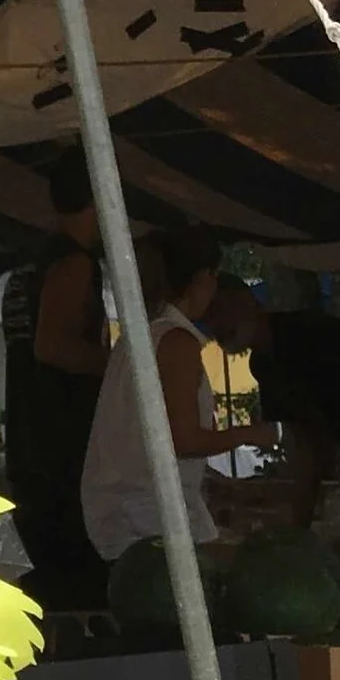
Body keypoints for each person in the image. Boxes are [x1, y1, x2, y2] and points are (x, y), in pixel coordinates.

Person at [80, 226, 276, 563]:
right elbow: (183, 440)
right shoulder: (175, 341)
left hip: (127, 506)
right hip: (144, 513)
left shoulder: (143, 336)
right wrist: (256, 433)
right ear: (202, 278)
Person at [205, 281, 340, 528]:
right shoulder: (261, 365)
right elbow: (303, 440)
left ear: (250, 303)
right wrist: (300, 522)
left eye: (222, 311)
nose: (217, 326)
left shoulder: (307, 331)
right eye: (210, 318)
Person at [0, 151, 110, 606]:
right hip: (65, 449)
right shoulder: (73, 264)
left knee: (49, 594)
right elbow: (52, 345)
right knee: (79, 590)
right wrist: (121, 367)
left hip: (30, 441)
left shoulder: (27, 265)